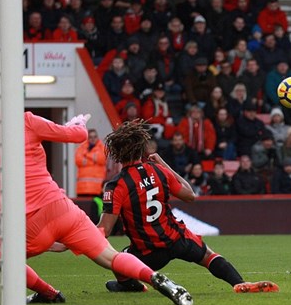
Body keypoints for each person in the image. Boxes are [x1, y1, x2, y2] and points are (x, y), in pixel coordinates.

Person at [0, 76, 193, 305]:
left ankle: (48, 294)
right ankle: (159, 279)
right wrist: (77, 124)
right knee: (109, 256)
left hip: (27, 222)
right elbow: (77, 136)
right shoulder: (27, 120)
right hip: (61, 207)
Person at [99, 120, 278, 293]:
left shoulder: (116, 185)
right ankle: (239, 283)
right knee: (208, 256)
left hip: (148, 251)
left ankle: (130, 285)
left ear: (116, 152)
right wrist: (163, 164)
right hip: (177, 239)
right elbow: (190, 195)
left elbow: (104, 230)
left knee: (120, 259)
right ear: (141, 148)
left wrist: (75, 238)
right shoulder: (159, 171)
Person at [75, 129, 107, 197]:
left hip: (97, 189)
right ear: (88, 138)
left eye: (95, 137)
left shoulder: (102, 148)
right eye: (90, 137)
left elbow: (102, 159)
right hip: (82, 188)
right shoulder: (81, 147)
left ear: (97, 138)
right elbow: (78, 160)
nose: (93, 139)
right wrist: (94, 160)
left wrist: (86, 155)